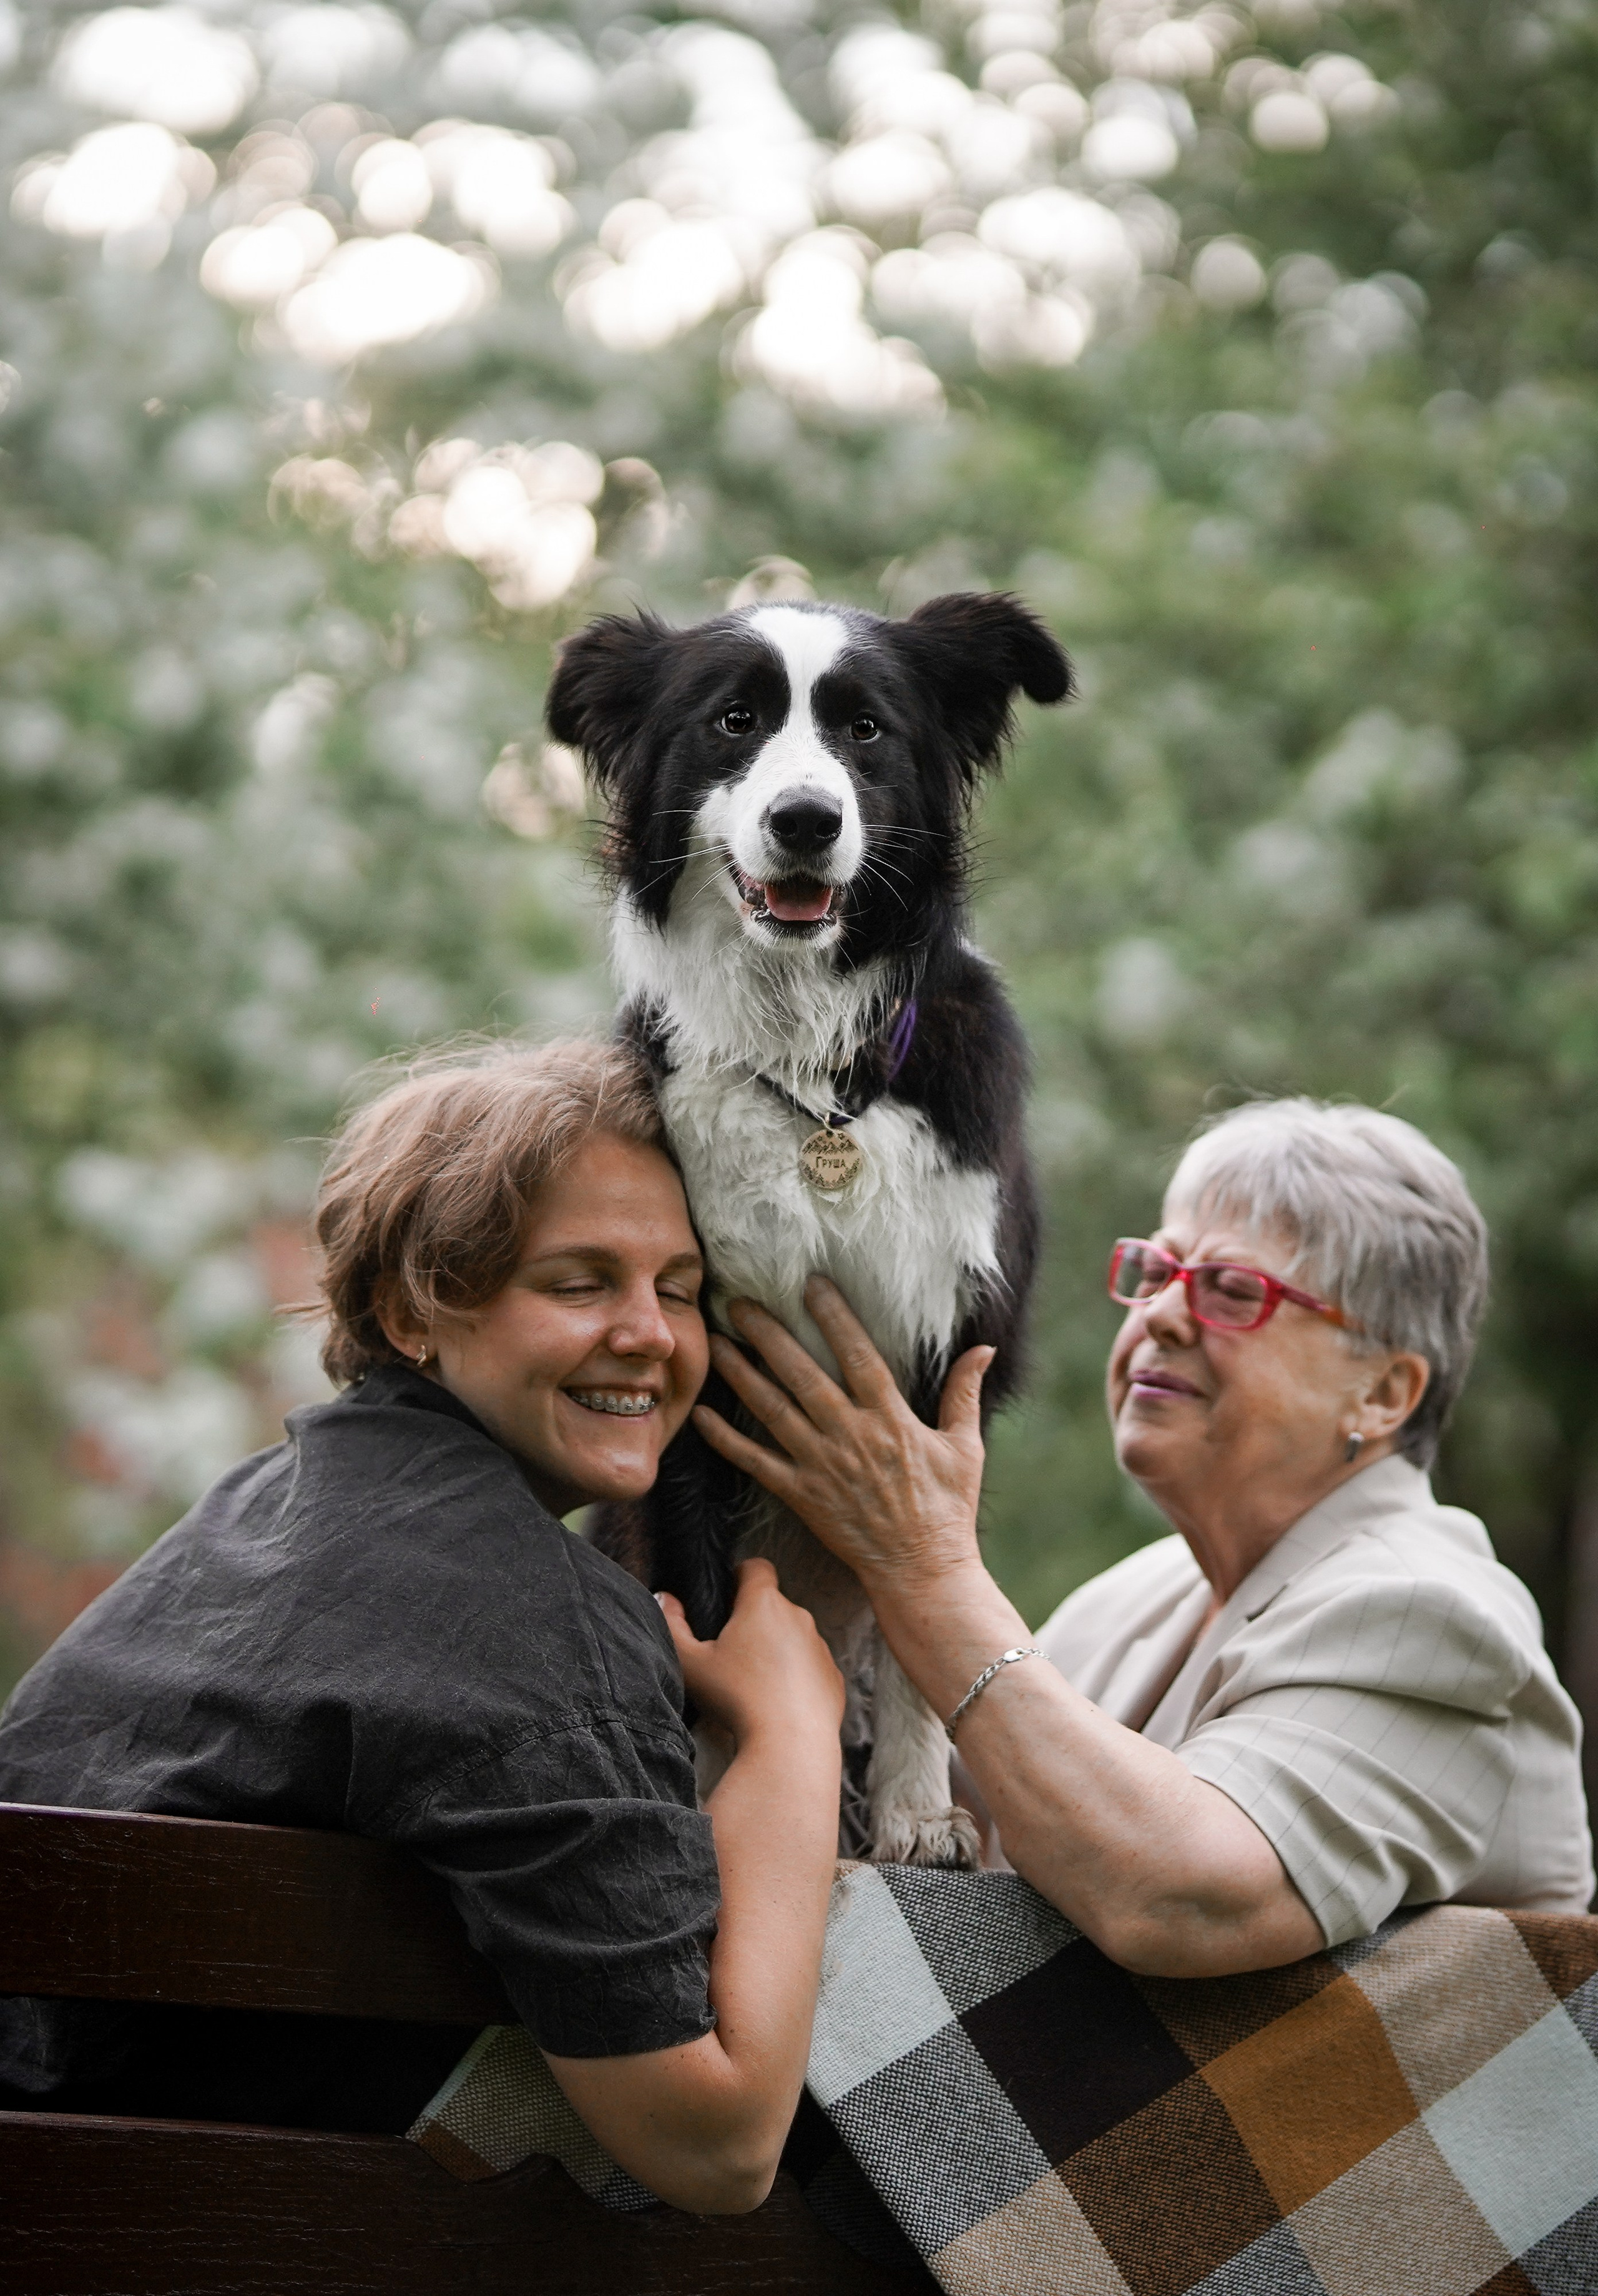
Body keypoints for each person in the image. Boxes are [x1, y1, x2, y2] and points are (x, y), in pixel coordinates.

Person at [0, 1039, 845, 2214]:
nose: (652, 1333)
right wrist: (795, 1728)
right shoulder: (542, 1624)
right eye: (580, 1282)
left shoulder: (258, 1508)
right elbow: (717, 2145)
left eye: (681, 1288)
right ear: (412, 1311)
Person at [697, 1097, 1594, 1975]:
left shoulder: (1429, 1610)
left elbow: (1176, 1897)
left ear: (1385, 1392)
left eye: (1234, 1291)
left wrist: (923, 1565)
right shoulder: (1132, 1598)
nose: (1162, 1313)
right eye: (1158, 1270)